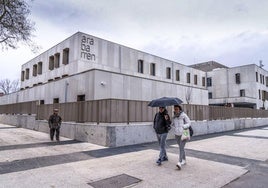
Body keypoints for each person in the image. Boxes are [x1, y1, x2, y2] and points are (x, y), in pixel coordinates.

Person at [171, 105, 191, 170]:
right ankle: (184, 160)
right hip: (177, 134)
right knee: (181, 147)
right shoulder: (174, 117)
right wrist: (174, 128)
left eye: (177, 109)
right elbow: (172, 124)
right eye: (175, 109)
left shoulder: (183, 115)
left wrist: (183, 126)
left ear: (179, 109)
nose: (175, 110)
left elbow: (189, 123)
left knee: (181, 148)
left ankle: (179, 162)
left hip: (183, 133)